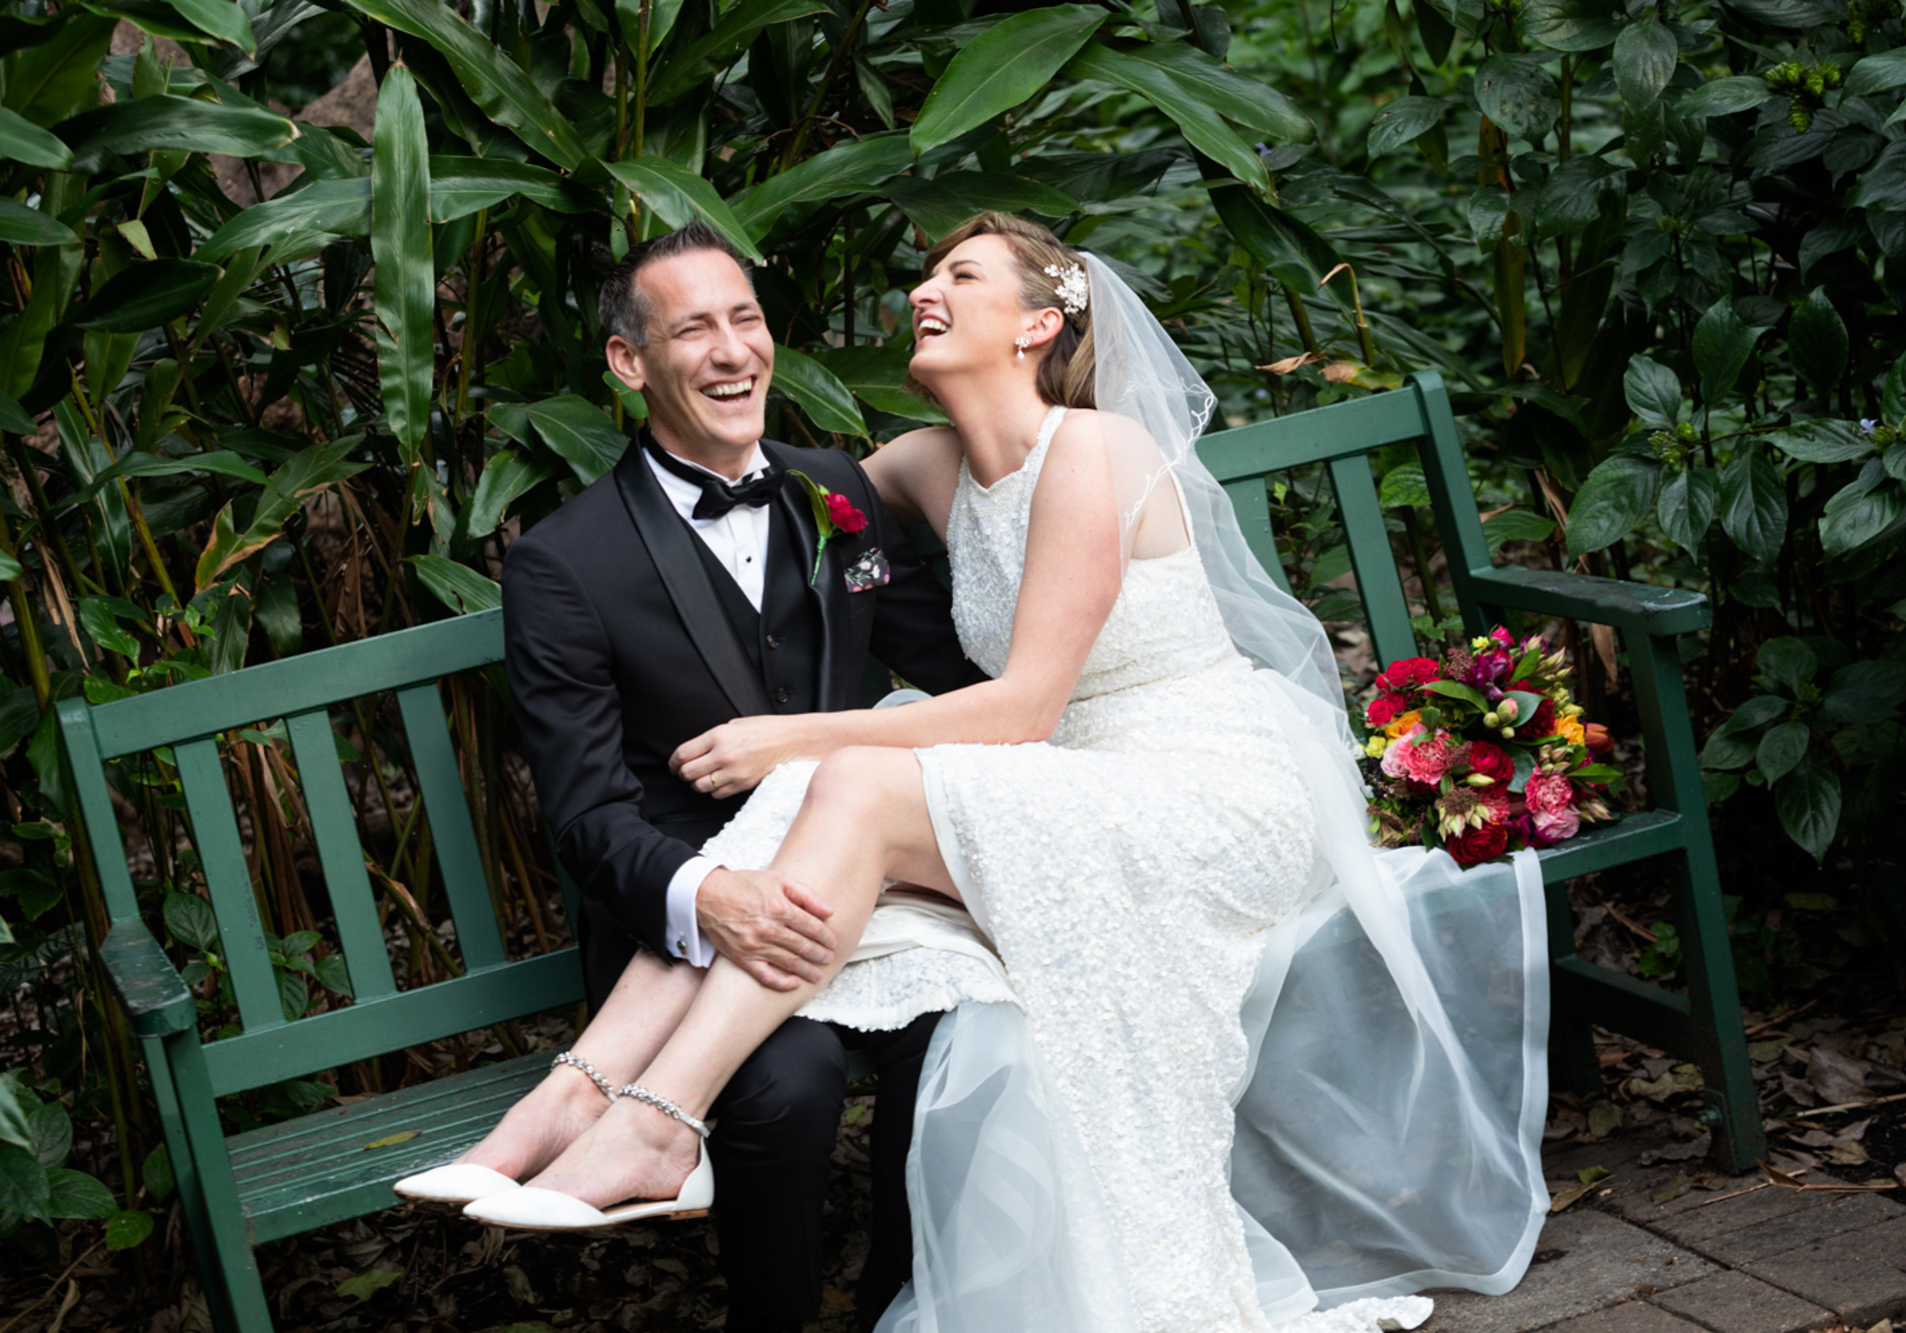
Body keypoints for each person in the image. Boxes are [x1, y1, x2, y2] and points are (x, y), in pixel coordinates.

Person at [449, 214, 1551, 1332]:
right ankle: (586, 1100)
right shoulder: (896, 474)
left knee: (843, 771)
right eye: (924, 269)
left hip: (1191, 786)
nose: (922, 289)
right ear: (630, 361)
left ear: (1037, 323)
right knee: (840, 790)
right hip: (1053, 789)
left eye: (958, 275)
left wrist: (790, 736)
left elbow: (1022, 705)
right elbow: (799, 508)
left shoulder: (1095, 447)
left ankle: (650, 1118)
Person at [394, 221, 987, 1333]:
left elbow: (958, 680)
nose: (730, 351)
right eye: (693, 328)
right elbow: (582, 815)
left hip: (870, 899)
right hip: (679, 931)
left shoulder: (833, 491)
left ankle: (900, 1300)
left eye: (746, 318)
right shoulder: (562, 562)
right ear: (630, 364)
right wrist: (708, 895)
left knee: (964, 1028)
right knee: (789, 1081)